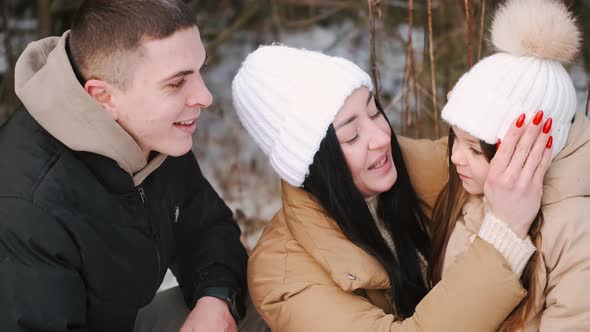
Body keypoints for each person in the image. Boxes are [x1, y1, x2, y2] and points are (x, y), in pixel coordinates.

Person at [231, 44, 551, 331]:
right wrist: (503, 235)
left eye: (374, 112)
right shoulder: (284, 276)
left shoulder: (408, 164)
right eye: (352, 136)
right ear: (312, 166)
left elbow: (541, 155)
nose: (383, 138)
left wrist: (482, 118)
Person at [0, 1, 251, 331]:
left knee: (267, 306)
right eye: (177, 83)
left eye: (200, 71)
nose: (205, 97)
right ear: (103, 97)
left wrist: (217, 300)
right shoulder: (29, 205)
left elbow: (206, 229)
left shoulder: (153, 135)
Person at [429, 0, 590, 330]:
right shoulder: (467, 192)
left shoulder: (576, 234)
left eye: (475, 149)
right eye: (454, 139)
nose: (455, 157)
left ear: (530, 153)